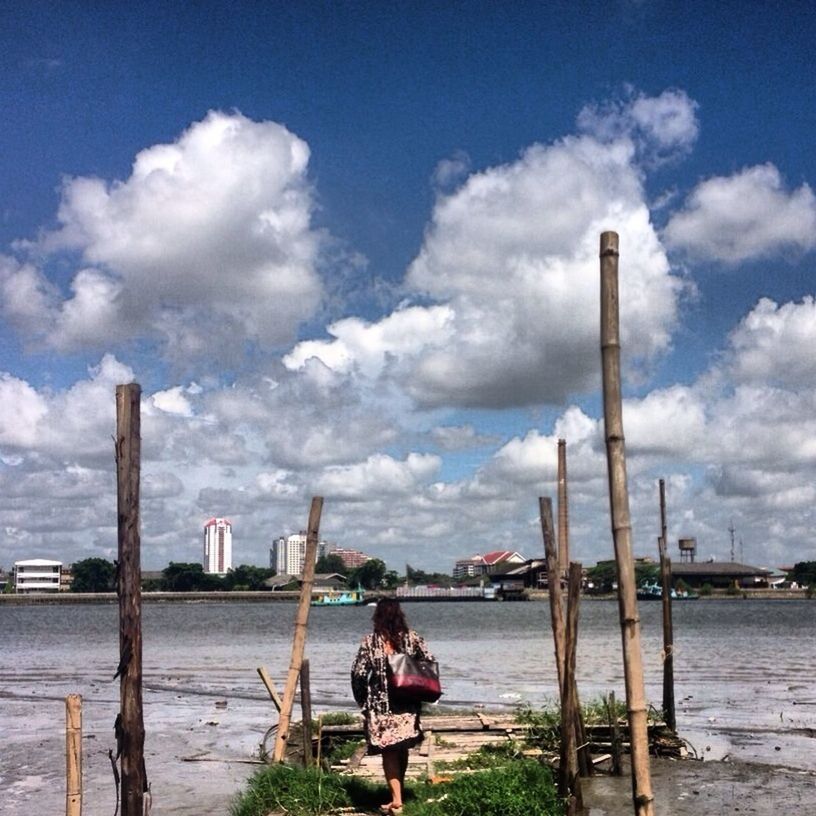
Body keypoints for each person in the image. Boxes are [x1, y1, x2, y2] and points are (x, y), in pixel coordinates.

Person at [351, 598, 434, 815]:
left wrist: (362, 700)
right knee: (401, 747)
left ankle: (396, 799)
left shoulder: (370, 642)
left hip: (380, 706)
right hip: (407, 702)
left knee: (389, 750)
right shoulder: (413, 638)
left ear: (377, 616)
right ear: (400, 615)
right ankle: (399, 793)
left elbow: (358, 673)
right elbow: (429, 661)